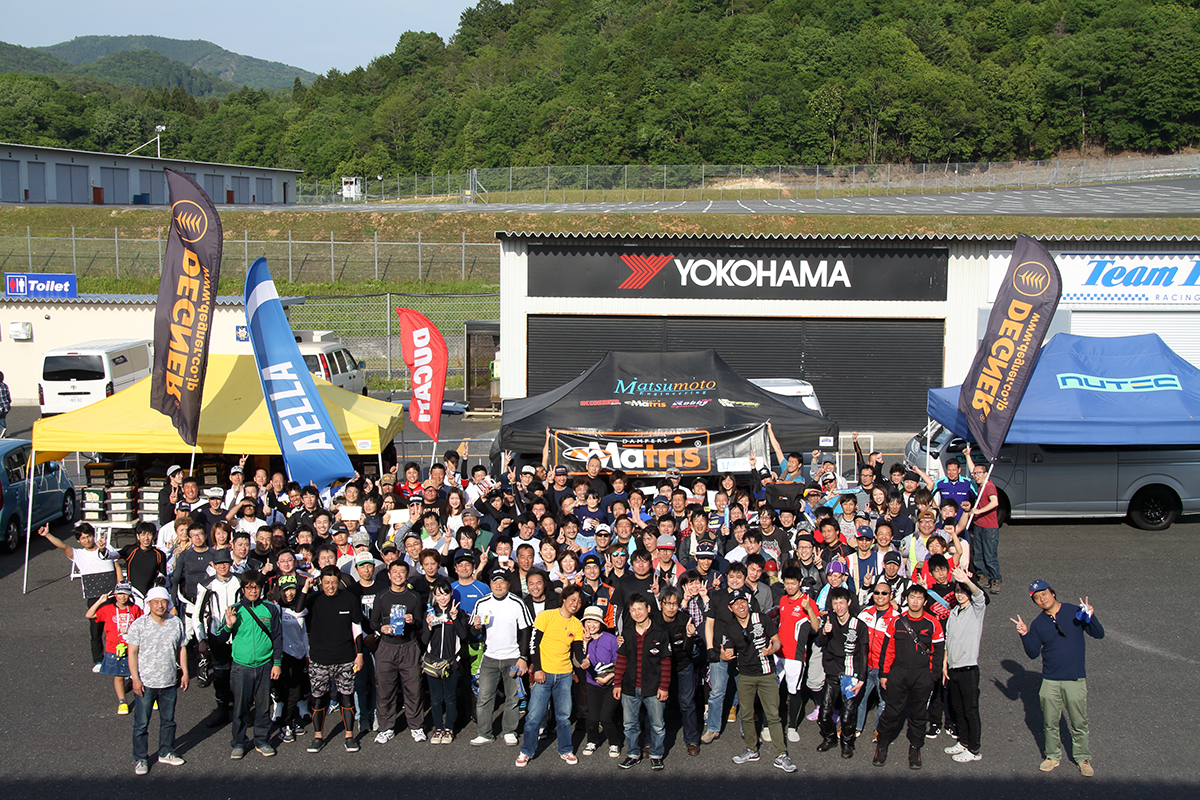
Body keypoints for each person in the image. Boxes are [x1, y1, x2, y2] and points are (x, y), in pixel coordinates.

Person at [1013, 579, 1104, 777]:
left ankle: (1082, 758)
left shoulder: (1073, 611)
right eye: (1037, 598)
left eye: (1044, 594)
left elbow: (1099, 634)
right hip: (1050, 680)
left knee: (1079, 722)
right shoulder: (1038, 624)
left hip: (1074, 678)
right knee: (1050, 722)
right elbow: (1032, 653)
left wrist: (1091, 616)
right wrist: (1025, 634)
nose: (1042, 599)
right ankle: (1052, 756)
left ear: (1052, 593)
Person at [723, 588, 796, 773]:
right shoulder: (730, 627)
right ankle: (751, 749)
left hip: (766, 673)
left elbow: (777, 641)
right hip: (745, 675)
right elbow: (728, 651)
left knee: (773, 715)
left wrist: (772, 649)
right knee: (746, 715)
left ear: (748, 603)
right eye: (735, 604)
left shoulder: (761, 619)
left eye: (743, 602)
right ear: (731, 608)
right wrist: (724, 655)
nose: (740, 606)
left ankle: (781, 754)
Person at [873, 584, 944, 770]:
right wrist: (884, 674)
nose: (915, 601)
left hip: (922, 675)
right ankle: (882, 744)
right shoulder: (897, 622)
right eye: (912, 597)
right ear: (907, 599)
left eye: (919, 598)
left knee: (919, 715)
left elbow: (938, 653)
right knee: (891, 712)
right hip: (899, 673)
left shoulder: (932, 623)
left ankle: (915, 747)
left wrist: (932, 676)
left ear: (925, 602)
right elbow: (888, 650)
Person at [516, 584, 585, 767]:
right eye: (572, 599)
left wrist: (584, 661)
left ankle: (566, 749)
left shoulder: (576, 624)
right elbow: (533, 644)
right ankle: (526, 751)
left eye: (579, 601)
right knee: (534, 716)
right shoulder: (546, 616)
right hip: (543, 673)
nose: (575, 604)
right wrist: (538, 669)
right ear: (564, 599)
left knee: (564, 716)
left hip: (564, 675)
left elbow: (577, 650)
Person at [217, 570, 282, 760]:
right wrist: (229, 625)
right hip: (241, 666)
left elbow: (278, 637)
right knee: (240, 707)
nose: (253, 591)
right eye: (249, 587)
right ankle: (239, 742)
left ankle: (262, 740)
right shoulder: (235, 609)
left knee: (263, 706)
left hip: (264, 664)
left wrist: (277, 663)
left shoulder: (270, 609)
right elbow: (220, 638)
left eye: (257, 587)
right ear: (243, 589)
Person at [39, 522, 119, 669]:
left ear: (93, 536)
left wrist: (121, 588)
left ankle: (117, 656)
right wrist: (48, 535)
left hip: (113, 596)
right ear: (78, 541)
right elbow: (63, 546)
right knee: (96, 631)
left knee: (116, 628)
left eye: (88, 536)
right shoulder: (78, 554)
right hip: (94, 598)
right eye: (83, 538)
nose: (87, 540)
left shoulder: (106, 548)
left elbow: (116, 566)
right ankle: (98, 660)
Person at [126, 586, 188, 775]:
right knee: (141, 724)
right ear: (149, 604)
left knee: (168, 721)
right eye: (156, 602)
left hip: (169, 681)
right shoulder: (139, 625)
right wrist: (135, 679)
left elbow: (182, 648)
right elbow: (132, 653)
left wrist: (185, 672)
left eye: (163, 602)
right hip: (146, 682)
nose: (160, 605)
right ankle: (141, 758)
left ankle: (166, 752)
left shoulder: (175, 622)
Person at [303, 564, 365, 753]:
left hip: (345, 657)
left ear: (339, 582)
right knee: (318, 699)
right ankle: (318, 736)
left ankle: (349, 736)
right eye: (326, 582)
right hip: (319, 658)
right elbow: (298, 611)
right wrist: (305, 589)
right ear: (321, 582)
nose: (330, 586)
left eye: (334, 582)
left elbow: (356, 627)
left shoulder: (349, 599)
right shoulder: (313, 599)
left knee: (347, 697)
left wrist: (359, 654)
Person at [470, 568, 533, 746]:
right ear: (490, 584)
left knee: (512, 696)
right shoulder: (482, 603)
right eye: (495, 581)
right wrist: (475, 627)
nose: (498, 585)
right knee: (484, 696)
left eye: (502, 581)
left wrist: (523, 657)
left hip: (512, 657)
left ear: (508, 584)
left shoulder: (517, 603)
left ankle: (509, 731)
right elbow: (473, 632)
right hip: (490, 657)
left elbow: (525, 631)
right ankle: (484, 733)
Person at [613, 592, 671, 771]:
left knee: (657, 724)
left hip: (653, 687)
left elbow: (666, 661)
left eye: (640, 609)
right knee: (629, 724)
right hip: (630, 687)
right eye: (633, 610)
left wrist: (664, 686)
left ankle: (656, 754)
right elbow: (621, 659)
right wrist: (617, 683)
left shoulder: (660, 632)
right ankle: (633, 753)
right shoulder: (627, 632)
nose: (637, 613)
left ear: (648, 609)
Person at [370, 560, 426, 744]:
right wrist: (381, 628)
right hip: (387, 647)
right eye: (395, 572)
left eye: (402, 572)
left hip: (409, 646)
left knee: (413, 689)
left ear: (407, 575)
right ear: (389, 574)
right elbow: (373, 622)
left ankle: (416, 726)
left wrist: (412, 621)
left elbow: (420, 622)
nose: (398, 575)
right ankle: (386, 728)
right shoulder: (382, 596)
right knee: (385, 689)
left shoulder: (414, 596)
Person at [815, 586, 869, 759]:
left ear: (849, 603)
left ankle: (847, 743)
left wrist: (862, 678)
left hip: (851, 673)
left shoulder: (859, 625)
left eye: (842, 602)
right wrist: (824, 631)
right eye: (835, 603)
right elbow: (820, 642)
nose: (839, 607)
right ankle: (830, 738)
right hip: (832, 671)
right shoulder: (828, 619)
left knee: (847, 716)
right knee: (824, 714)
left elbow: (864, 654)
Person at [192, 549, 240, 727]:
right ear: (213, 565)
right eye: (218, 564)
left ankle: (240, 710)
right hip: (217, 636)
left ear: (231, 563)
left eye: (225, 563)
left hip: (238, 636)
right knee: (220, 674)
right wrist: (201, 639)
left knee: (240, 673)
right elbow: (197, 614)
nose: (222, 566)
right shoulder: (206, 585)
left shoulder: (240, 581)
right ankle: (222, 709)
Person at [943, 566, 986, 763]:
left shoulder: (976, 609)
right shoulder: (954, 612)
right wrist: (945, 664)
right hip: (953, 668)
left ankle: (974, 749)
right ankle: (964, 741)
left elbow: (979, 595)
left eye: (963, 591)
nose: (960, 594)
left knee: (970, 710)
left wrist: (967, 581)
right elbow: (948, 639)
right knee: (958, 709)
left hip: (969, 668)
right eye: (958, 591)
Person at [86, 582, 143, 714]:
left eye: (125, 594)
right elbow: (89, 615)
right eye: (120, 594)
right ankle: (122, 701)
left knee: (140, 674)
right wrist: (100, 601)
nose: (122, 597)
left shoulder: (135, 608)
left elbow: (143, 622)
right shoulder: (107, 609)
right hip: (115, 648)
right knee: (119, 676)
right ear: (115, 594)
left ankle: (145, 697)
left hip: (133, 648)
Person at [422, 578, 467, 744]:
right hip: (433, 662)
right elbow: (424, 640)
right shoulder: (430, 613)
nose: (442, 598)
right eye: (439, 595)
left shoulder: (458, 612)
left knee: (450, 697)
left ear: (451, 594)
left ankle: (449, 728)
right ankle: (438, 728)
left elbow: (463, 636)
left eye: (445, 594)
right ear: (434, 595)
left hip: (451, 661)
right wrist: (428, 626)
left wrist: (454, 618)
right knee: (435, 698)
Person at [578, 604, 622, 758]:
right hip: (592, 684)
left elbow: (619, 662)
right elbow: (580, 660)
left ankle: (614, 742)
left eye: (595, 622)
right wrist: (584, 643)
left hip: (611, 684)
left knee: (605, 717)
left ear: (601, 624)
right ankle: (592, 740)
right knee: (592, 718)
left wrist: (608, 677)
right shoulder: (582, 640)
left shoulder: (611, 639)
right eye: (588, 622)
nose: (591, 625)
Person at [965, 448, 1002, 592]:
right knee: (978, 553)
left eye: (979, 473)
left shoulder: (989, 486)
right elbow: (972, 468)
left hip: (989, 527)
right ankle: (983, 576)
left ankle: (995, 579)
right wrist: (967, 456)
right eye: (975, 474)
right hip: (979, 524)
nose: (976, 476)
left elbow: (995, 502)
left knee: (989, 554)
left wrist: (978, 511)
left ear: (986, 474)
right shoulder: (980, 485)